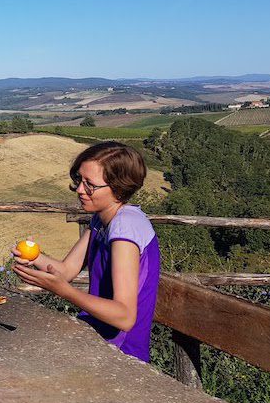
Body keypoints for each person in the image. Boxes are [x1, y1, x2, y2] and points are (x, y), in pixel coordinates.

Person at [12, 141, 160, 362]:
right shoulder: (101, 220)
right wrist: (34, 257)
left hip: (121, 352)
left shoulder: (125, 227)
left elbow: (125, 316)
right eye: (79, 180)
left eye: (90, 184)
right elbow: (66, 270)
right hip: (99, 336)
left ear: (118, 187)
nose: (80, 190)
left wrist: (66, 292)